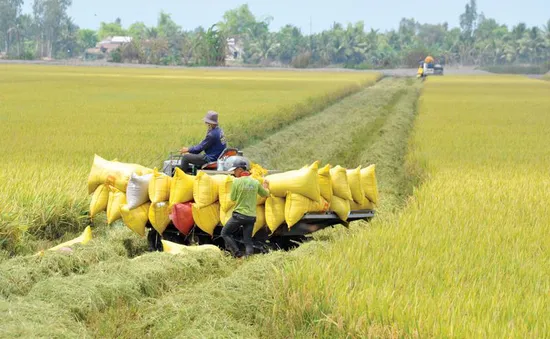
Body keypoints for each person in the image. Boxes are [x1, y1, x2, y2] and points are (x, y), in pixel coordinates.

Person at [221, 157, 270, 258]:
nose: (234, 173)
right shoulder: (255, 182)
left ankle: (237, 253)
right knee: (248, 240)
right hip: (251, 217)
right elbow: (265, 194)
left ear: (240, 170)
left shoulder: (236, 182)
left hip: (239, 215)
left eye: (234, 170)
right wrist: (265, 186)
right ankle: (248, 259)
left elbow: (233, 198)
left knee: (225, 233)